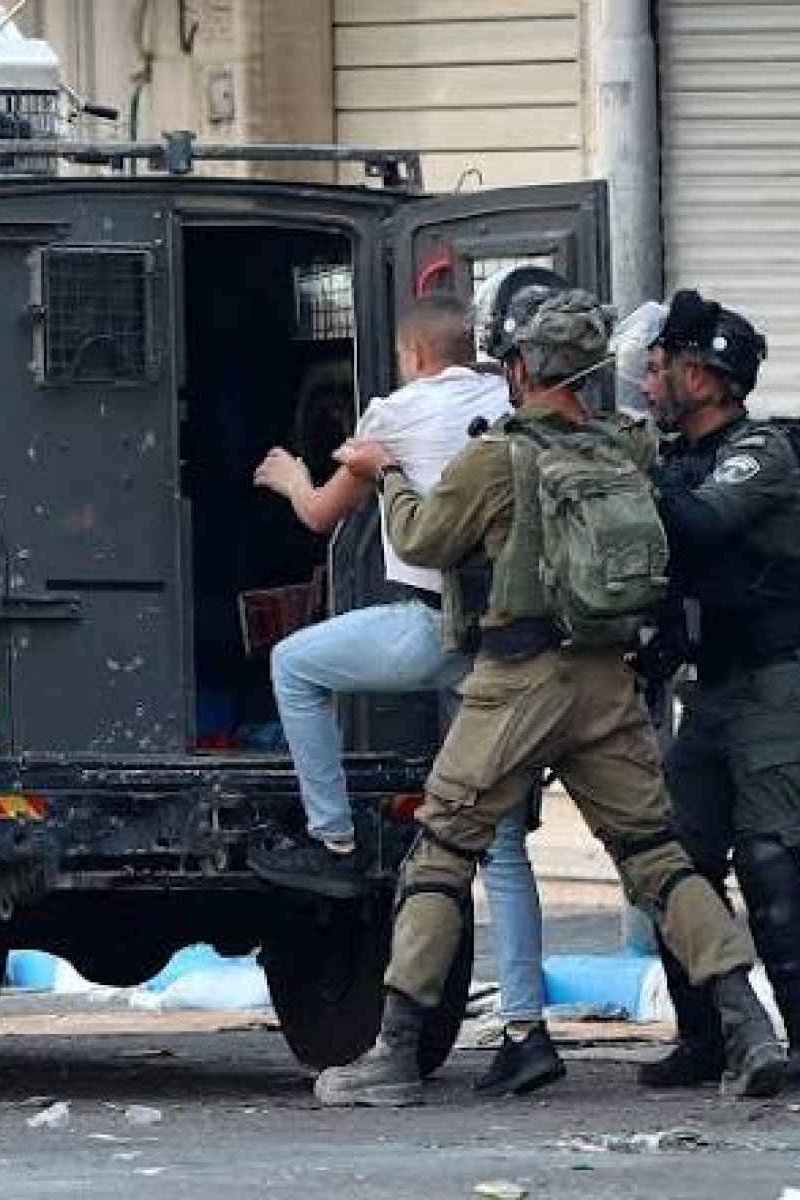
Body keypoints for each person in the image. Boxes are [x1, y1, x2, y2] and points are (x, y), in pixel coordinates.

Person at [314, 285, 786, 1107]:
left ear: (520, 368)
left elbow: (423, 538)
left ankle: (393, 1054)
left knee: (442, 848)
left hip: (517, 680)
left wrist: (384, 473)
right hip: (608, 682)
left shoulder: (498, 456)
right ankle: (751, 1031)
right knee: (655, 855)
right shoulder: (626, 446)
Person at [251, 289, 563, 1096]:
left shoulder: (393, 414)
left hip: (433, 630)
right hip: (513, 647)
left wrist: (290, 476)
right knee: (501, 845)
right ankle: (526, 1029)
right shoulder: (511, 404)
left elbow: (322, 516)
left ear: (416, 355)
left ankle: (332, 835)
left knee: (293, 665)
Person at [629, 290, 800, 1096]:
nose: (649, 384)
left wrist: (632, 474)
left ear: (701, 377)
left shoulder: (759, 454)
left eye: (660, 369)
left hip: (778, 682)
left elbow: (699, 525)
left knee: (771, 859)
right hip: (713, 687)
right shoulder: (676, 458)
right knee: (674, 859)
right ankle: (708, 1038)